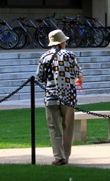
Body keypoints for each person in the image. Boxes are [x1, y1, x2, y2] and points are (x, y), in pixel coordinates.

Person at [36, 30, 83, 166]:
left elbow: (39, 77)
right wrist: (77, 80)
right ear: (62, 42)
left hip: (51, 96)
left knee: (54, 128)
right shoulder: (69, 55)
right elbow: (79, 73)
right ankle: (66, 156)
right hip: (68, 96)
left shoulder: (44, 56)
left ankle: (59, 157)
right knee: (68, 127)